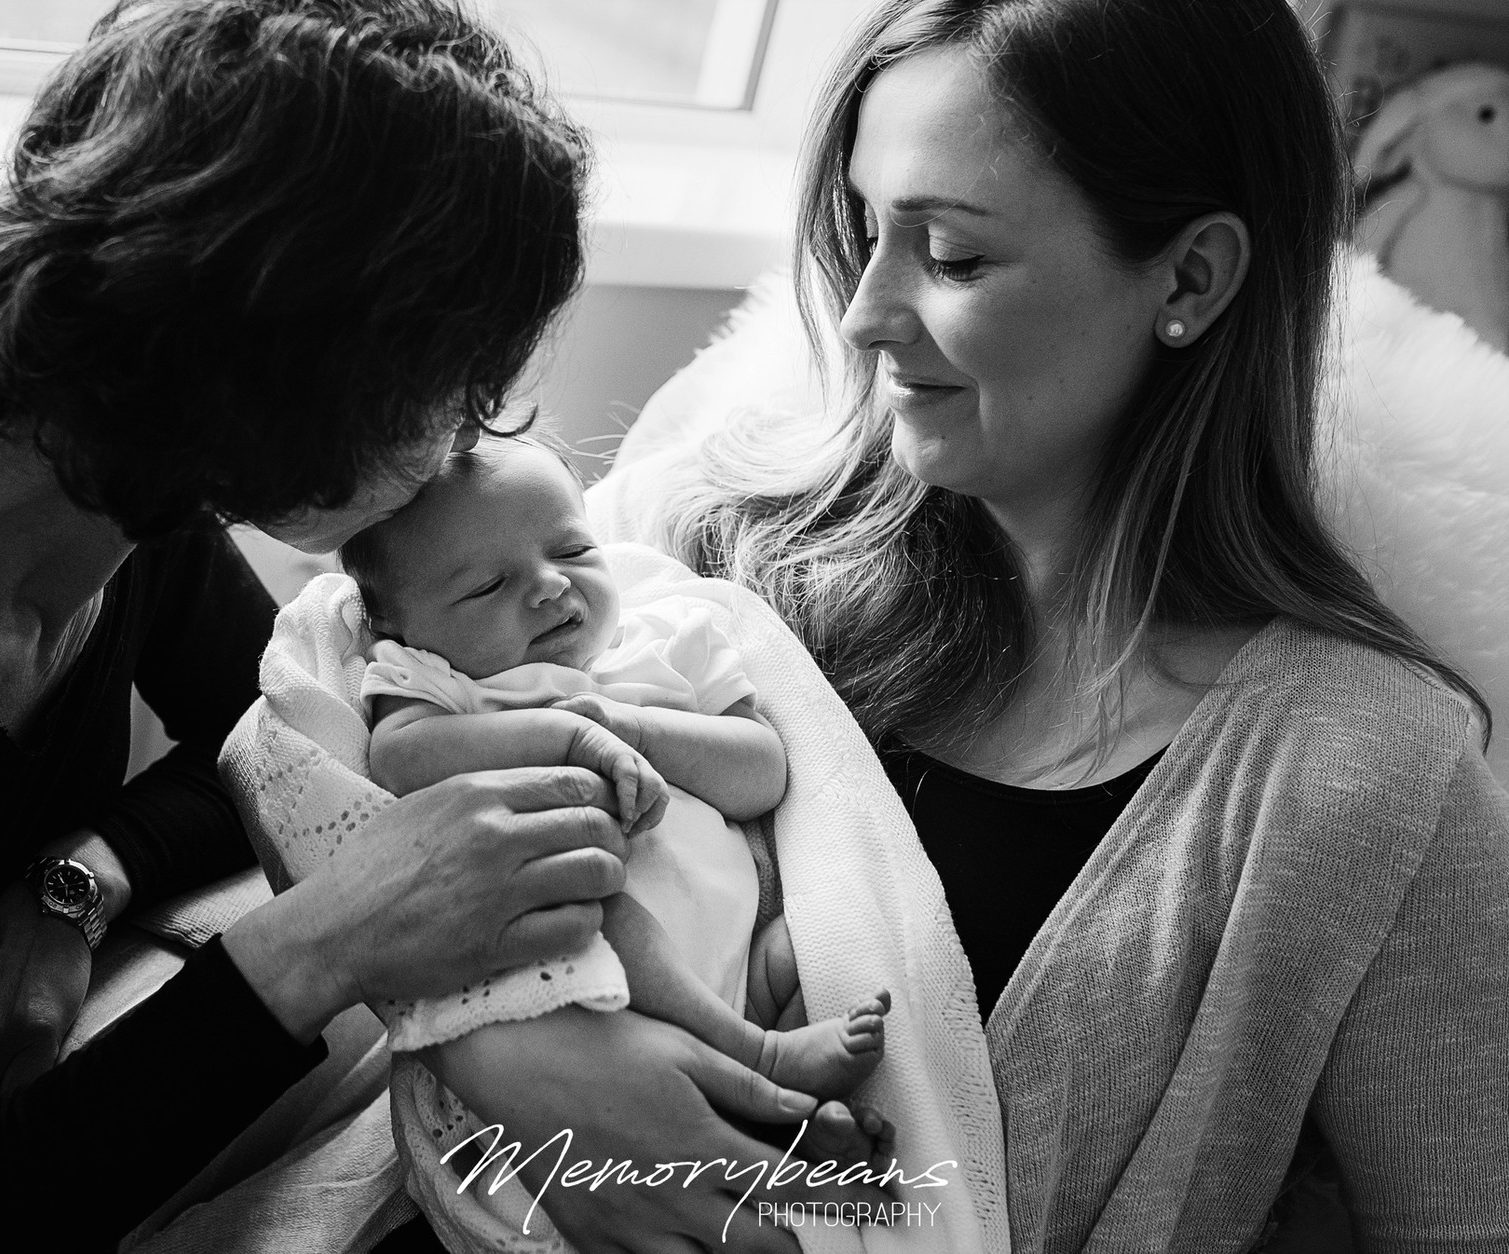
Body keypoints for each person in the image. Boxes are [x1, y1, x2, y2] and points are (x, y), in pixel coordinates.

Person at [0, 3, 846, 1250]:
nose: (456, 448)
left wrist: (73, 885)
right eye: (443, 395)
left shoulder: (119, 464)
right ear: (286, 391)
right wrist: (339, 934)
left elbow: (250, 745)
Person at [574, 0, 1506, 1248]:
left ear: (1187, 278)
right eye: (861, 232)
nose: (862, 315)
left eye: (952, 257)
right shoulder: (704, 571)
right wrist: (519, 1067)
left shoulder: (1365, 781)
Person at [342, 436, 891, 1122]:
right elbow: (400, 754)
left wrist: (634, 728)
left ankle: (786, 1119)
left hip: (745, 951)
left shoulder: (670, 637)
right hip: (598, 984)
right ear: (399, 627)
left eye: (571, 551)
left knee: (824, 939)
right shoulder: (443, 683)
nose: (549, 584)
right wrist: (566, 735)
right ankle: (756, 1061)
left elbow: (761, 772)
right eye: (488, 586)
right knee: (598, 907)